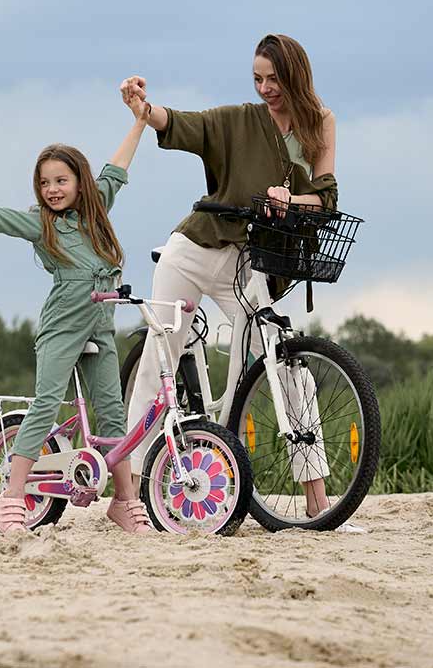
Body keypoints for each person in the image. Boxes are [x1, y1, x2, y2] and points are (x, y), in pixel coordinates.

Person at [119, 33, 339, 518]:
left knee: (285, 366)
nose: (266, 89)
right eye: (258, 79)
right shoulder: (240, 119)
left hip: (249, 262)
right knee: (161, 359)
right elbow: (183, 125)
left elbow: (324, 198)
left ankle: (318, 500)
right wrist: (143, 106)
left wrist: (290, 200)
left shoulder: (320, 122)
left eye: (274, 79)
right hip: (194, 249)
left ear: (296, 76)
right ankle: (128, 494)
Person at [0, 115, 152, 534]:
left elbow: (117, 169)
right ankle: (12, 495)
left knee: (113, 412)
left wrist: (139, 122)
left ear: (79, 181)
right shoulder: (42, 224)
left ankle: (124, 501)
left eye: (61, 180)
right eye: (45, 183)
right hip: (62, 324)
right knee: (46, 403)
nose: (53, 190)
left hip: (100, 323)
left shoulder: (97, 208)